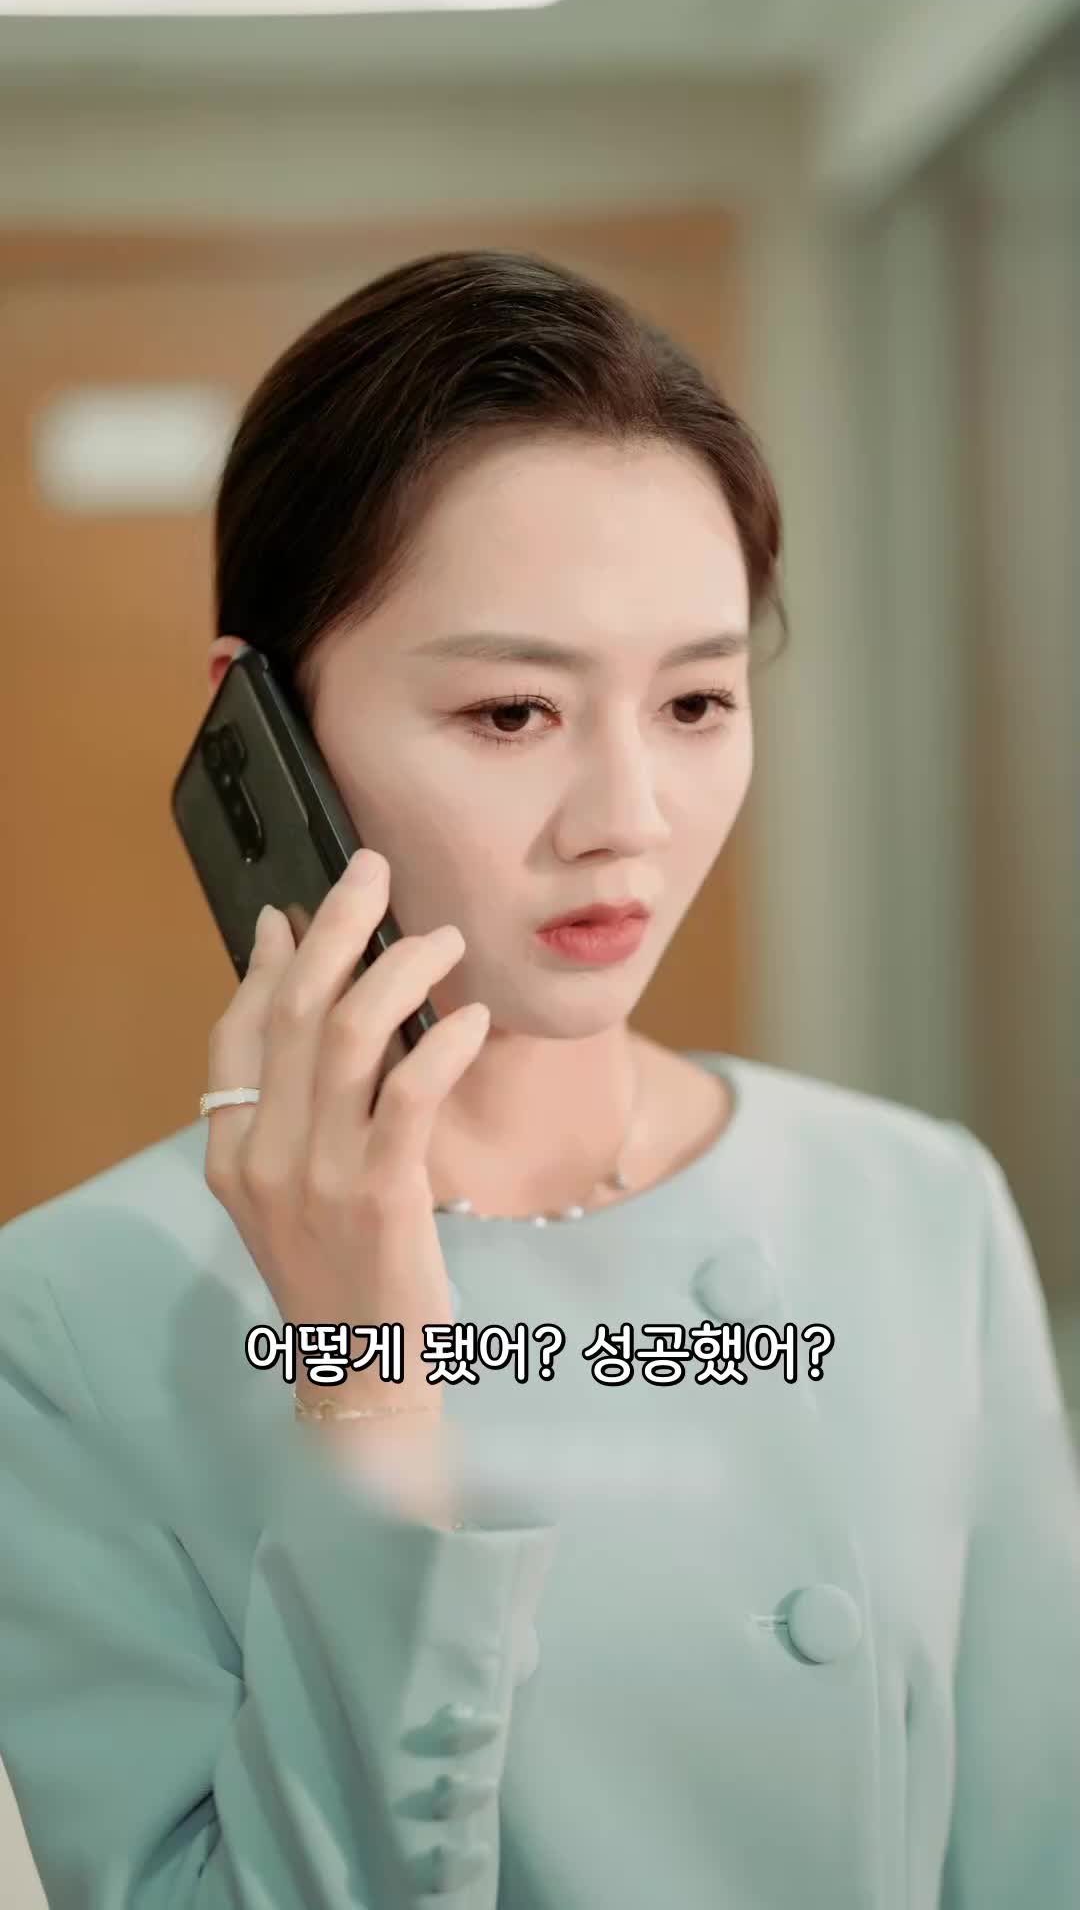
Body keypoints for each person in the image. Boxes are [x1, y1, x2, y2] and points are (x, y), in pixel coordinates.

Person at [1, 248, 1078, 1910]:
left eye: (698, 699)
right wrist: (367, 1377)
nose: (627, 819)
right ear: (260, 729)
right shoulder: (71, 1318)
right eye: (513, 713)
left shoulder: (916, 1207)